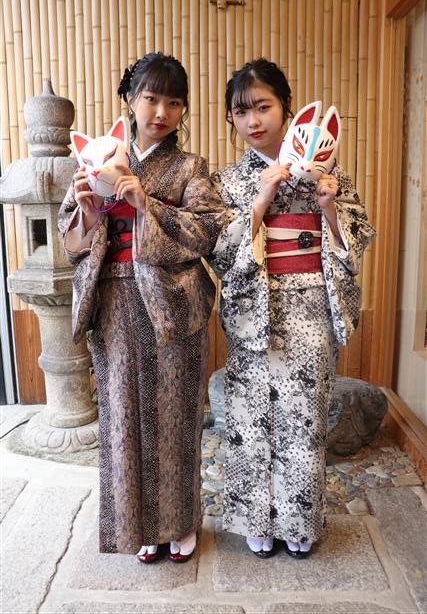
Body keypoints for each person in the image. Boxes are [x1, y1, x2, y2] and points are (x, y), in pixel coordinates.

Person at [58, 52, 224, 563]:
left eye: (174, 102)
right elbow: (72, 243)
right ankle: (139, 526)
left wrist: (146, 205)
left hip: (172, 307)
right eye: (151, 98)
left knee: (175, 417)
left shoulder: (190, 168)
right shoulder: (101, 157)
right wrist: (86, 209)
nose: (161, 112)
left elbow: (209, 228)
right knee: (122, 418)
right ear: (130, 100)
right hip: (113, 302)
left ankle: (179, 523)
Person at [208, 58, 376, 559]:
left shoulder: (327, 172)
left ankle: (298, 520)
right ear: (232, 119)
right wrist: (259, 202)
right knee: (250, 417)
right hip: (254, 311)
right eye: (241, 112)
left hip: (310, 306)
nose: (253, 120)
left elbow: (357, 237)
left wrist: (328, 205)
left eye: (263, 107)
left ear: (287, 108)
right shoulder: (228, 181)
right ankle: (256, 519)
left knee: (304, 419)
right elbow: (220, 250)